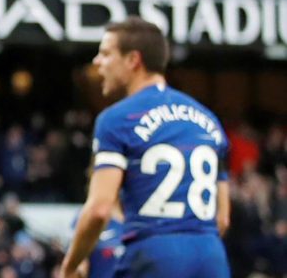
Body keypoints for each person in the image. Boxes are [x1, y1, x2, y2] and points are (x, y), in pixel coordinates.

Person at [61, 17, 230, 278]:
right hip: (212, 257)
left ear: (133, 60)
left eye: (106, 53)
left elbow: (100, 209)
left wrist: (70, 266)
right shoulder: (209, 120)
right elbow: (223, 218)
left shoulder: (117, 119)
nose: (97, 62)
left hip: (155, 254)